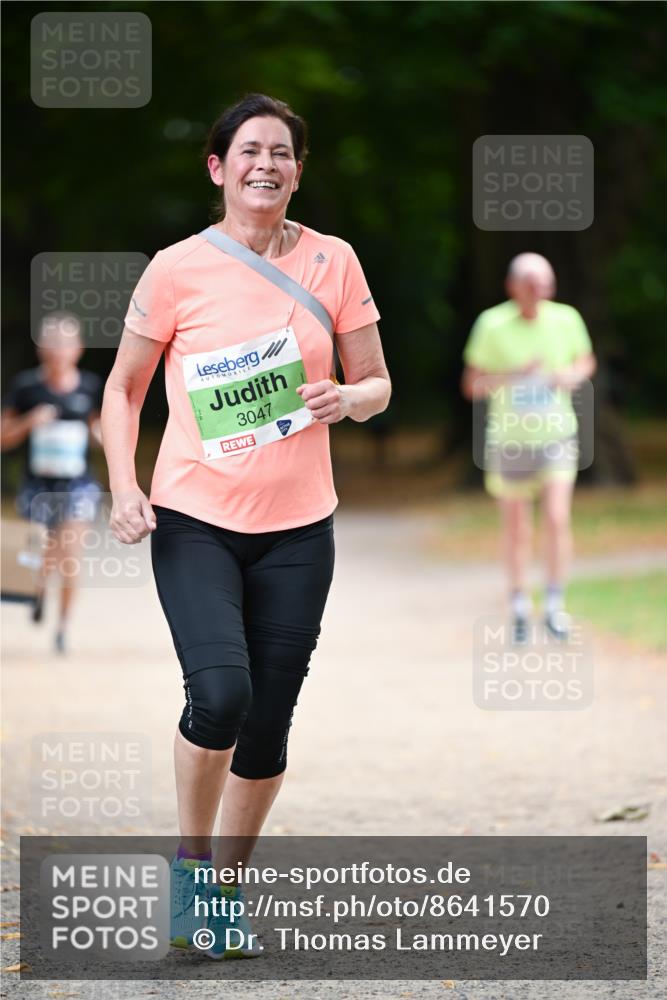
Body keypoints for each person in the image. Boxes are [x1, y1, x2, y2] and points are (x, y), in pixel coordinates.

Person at [101, 93, 391, 959]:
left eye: (283, 153)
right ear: (218, 167)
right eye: (250, 150)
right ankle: (193, 868)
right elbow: (121, 390)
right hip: (196, 515)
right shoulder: (175, 269)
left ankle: (226, 885)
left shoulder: (334, 261)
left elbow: (377, 381)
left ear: (298, 171)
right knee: (220, 694)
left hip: (301, 527)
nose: (267, 164)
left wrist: (348, 399)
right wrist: (123, 484)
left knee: (267, 723)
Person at [461, 253, 596, 644]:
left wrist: (570, 375)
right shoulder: (492, 323)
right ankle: (519, 602)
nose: (541, 291)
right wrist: (512, 377)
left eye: (547, 283)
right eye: (533, 283)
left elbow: (586, 360)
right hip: (510, 440)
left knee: (556, 517)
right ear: (513, 286)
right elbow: (471, 385)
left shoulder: (567, 319)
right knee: (517, 527)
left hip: (556, 436)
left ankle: (555, 602)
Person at [1, 312, 103, 653]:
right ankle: (39, 590)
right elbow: (4, 437)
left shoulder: (90, 386)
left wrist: (100, 435)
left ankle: (62, 628)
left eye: (65, 343)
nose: (59, 350)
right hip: (37, 486)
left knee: (71, 554)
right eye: (52, 342)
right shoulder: (26, 388)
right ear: (41, 348)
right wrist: (31, 421)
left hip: (77, 485)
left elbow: (101, 428)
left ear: (79, 348)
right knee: (42, 554)